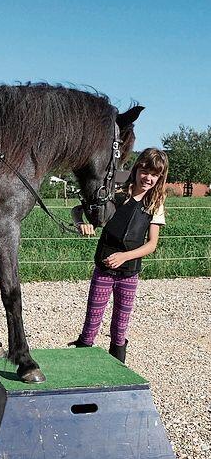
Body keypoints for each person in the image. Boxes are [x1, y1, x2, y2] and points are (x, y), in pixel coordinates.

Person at [69, 148, 168, 363]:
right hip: (104, 270)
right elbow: (77, 210)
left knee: (120, 327)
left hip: (129, 274)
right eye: (145, 171)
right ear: (137, 168)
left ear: (160, 177)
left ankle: (118, 371)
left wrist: (124, 256)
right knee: (92, 322)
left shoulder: (155, 204)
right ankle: (81, 366)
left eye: (154, 174)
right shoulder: (115, 194)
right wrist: (81, 224)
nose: (148, 178)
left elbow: (151, 245)